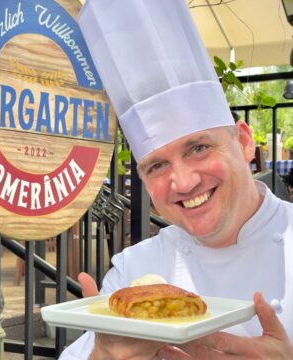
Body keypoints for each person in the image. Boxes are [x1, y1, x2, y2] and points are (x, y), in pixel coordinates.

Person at [60, 0, 293, 358]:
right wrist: (101, 356)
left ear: (244, 142)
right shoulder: (133, 271)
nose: (182, 183)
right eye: (157, 166)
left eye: (198, 147)